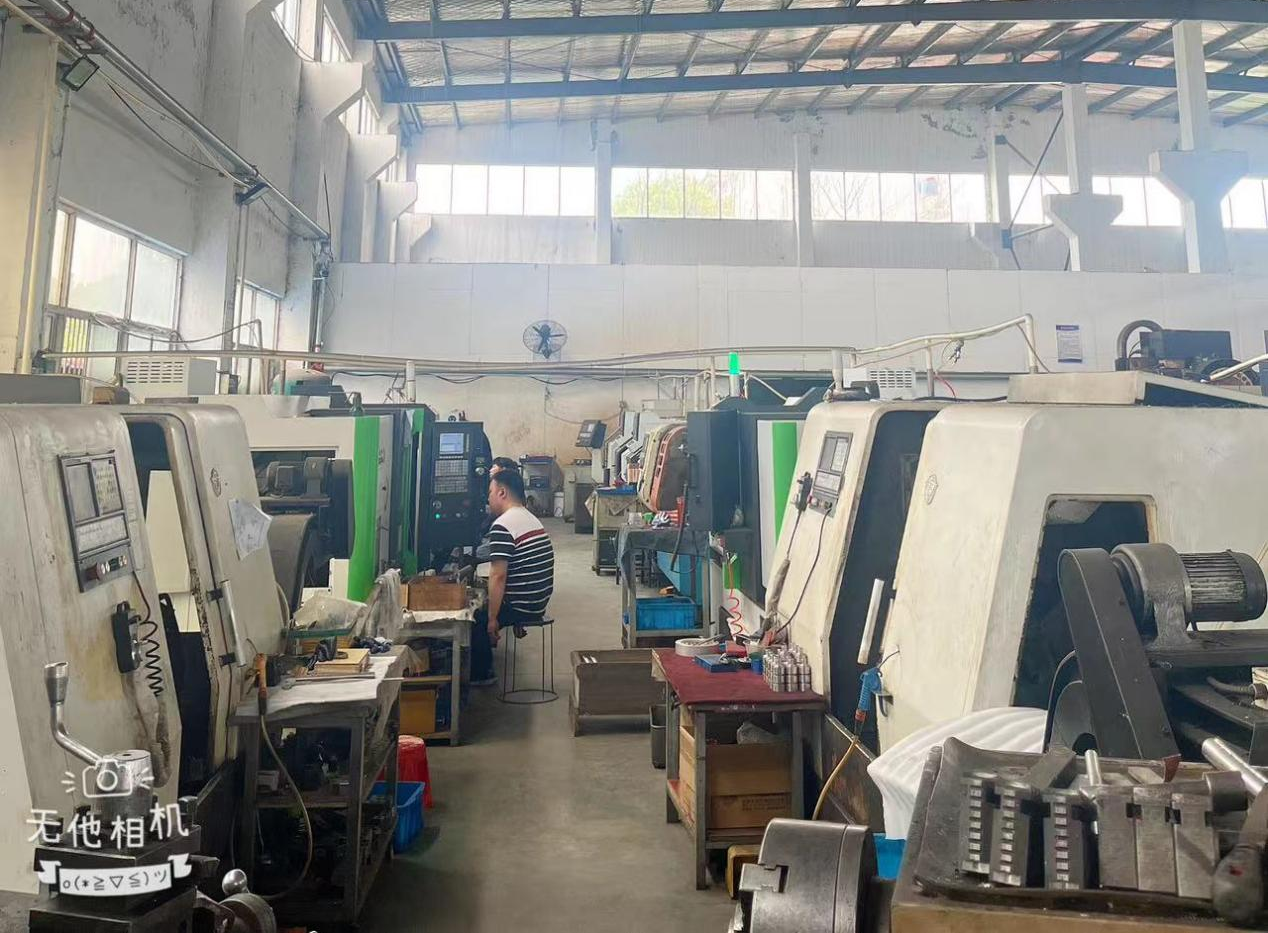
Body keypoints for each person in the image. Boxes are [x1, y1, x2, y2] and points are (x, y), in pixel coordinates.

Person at [471, 469, 555, 684]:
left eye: (490, 493)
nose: (488, 499)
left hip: (522, 605)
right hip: (537, 601)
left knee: (474, 618)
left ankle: (482, 675)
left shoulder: (503, 525)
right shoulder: (529, 518)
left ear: (502, 493)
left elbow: (498, 576)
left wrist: (492, 619)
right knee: (484, 596)